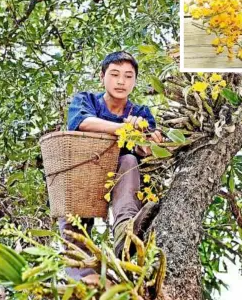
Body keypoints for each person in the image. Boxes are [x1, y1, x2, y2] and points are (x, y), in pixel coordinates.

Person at [58, 51, 163, 281]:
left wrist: (148, 138)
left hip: (120, 178)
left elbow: (146, 150)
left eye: (128, 76)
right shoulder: (86, 100)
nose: (121, 81)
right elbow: (81, 122)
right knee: (73, 227)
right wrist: (124, 129)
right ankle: (84, 279)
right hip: (83, 175)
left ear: (134, 82)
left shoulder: (141, 113)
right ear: (102, 77)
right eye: (114, 74)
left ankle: (125, 230)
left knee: (128, 160)